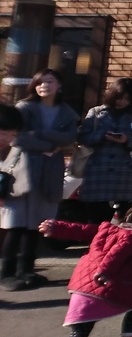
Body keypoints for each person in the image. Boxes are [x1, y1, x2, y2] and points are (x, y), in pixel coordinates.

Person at [38, 201, 132, 337]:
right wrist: (104, 271)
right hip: (103, 287)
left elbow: (81, 230)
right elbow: (117, 253)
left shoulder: (105, 229)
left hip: (82, 287)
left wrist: (55, 228)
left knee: (80, 332)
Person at [0, 69, 79, 291]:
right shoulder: (24, 107)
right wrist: (50, 147)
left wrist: (40, 134)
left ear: (59, 85)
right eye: (39, 82)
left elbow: (70, 137)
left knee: (38, 224)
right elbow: (17, 138)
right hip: (22, 171)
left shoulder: (66, 111)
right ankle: (6, 273)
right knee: (16, 224)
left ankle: (26, 270)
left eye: (49, 81)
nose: (44, 86)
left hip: (49, 172)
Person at [78, 78, 132, 224]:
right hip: (97, 171)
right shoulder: (96, 112)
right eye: (119, 97)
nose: (122, 102)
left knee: (125, 222)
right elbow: (82, 137)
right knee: (97, 221)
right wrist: (101, 135)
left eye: (127, 99)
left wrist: (126, 141)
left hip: (124, 174)